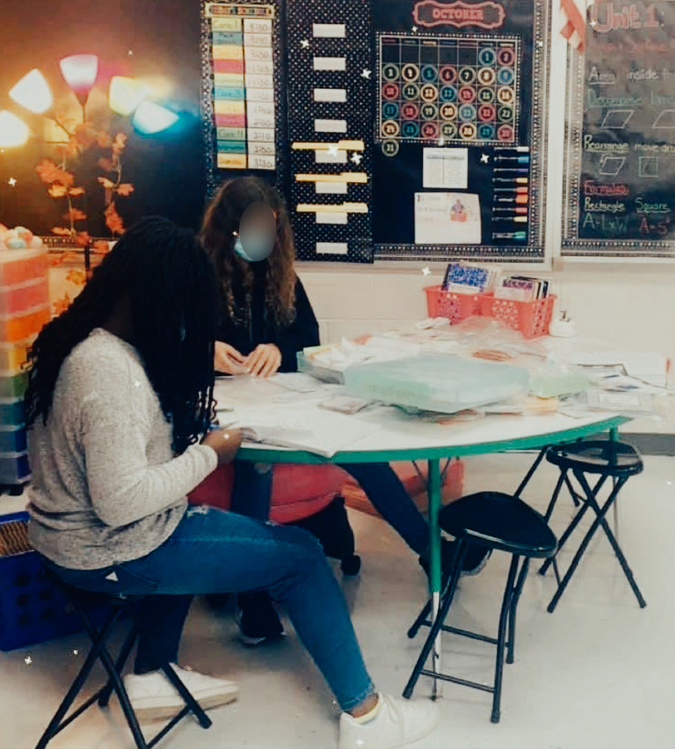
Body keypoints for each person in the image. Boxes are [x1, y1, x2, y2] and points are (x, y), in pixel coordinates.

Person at [24, 218, 438, 748]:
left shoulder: (86, 343)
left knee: (197, 516)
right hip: (109, 549)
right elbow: (121, 503)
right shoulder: (109, 371)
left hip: (72, 543)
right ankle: (367, 716)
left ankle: (152, 673)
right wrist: (210, 454)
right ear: (159, 297)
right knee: (303, 556)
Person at [200, 177, 488, 645]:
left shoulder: (282, 275)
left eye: (270, 228)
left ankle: (431, 551)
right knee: (256, 463)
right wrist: (205, 351)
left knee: (360, 448)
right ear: (229, 227)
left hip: (280, 398)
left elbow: (308, 339)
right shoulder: (197, 275)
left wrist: (279, 348)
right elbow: (166, 346)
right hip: (224, 407)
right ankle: (252, 602)